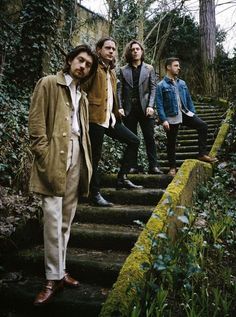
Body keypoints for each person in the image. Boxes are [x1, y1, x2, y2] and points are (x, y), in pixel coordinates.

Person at [28, 44, 98, 305]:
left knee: (66, 218)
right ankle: (51, 278)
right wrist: (44, 157)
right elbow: (36, 126)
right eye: (80, 60)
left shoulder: (82, 95)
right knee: (52, 216)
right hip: (54, 155)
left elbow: (83, 131)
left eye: (88, 64)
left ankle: (60, 271)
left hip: (77, 154)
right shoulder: (48, 83)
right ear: (69, 60)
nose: (83, 66)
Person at [82, 36, 143, 207]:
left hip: (110, 119)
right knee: (95, 156)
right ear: (99, 50)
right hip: (95, 119)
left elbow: (112, 95)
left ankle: (122, 178)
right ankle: (94, 194)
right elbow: (82, 89)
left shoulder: (111, 71)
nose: (111, 51)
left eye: (114, 49)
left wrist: (116, 113)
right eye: (108, 48)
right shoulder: (93, 67)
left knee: (134, 141)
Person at [156, 57, 218, 177]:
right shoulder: (161, 85)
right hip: (172, 116)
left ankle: (202, 154)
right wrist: (164, 120)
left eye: (179, 66)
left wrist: (193, 112)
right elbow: (159, 105)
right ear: (168, 67)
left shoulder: (182, 83)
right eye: (176, 65)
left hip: (185, 113)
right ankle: (172, 168)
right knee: (171, 142)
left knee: (203, 126)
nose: (179, 68)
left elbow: (189, 99)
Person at [117, 40, 163, 175]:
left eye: (138, 49)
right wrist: (120, 107)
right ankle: (132, 166)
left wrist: (150, 105)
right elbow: (119, 91)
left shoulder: (149, 68)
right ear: (129, 52)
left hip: (145, 109)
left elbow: (153, 88)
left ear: (142, 51)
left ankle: (153, 166)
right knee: (132, 138)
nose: (135, 51)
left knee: (149, 137)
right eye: (132, 49)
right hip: (129, 108)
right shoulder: (123, 70)